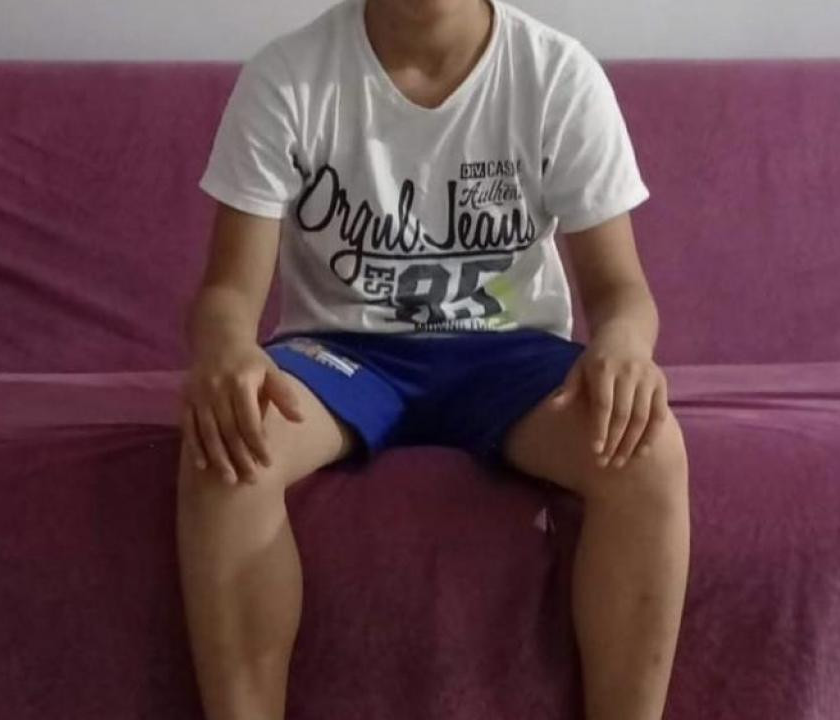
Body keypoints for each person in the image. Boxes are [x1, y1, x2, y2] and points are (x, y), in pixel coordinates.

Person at [175, 0, 691, 718]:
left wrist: (625, 347)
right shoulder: (286, 76)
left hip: (508, 355)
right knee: (229, 449)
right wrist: (228, 350)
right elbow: (228, 292)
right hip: (343, 354)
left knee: (649, 450)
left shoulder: (556, 73)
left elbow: (621, 292)